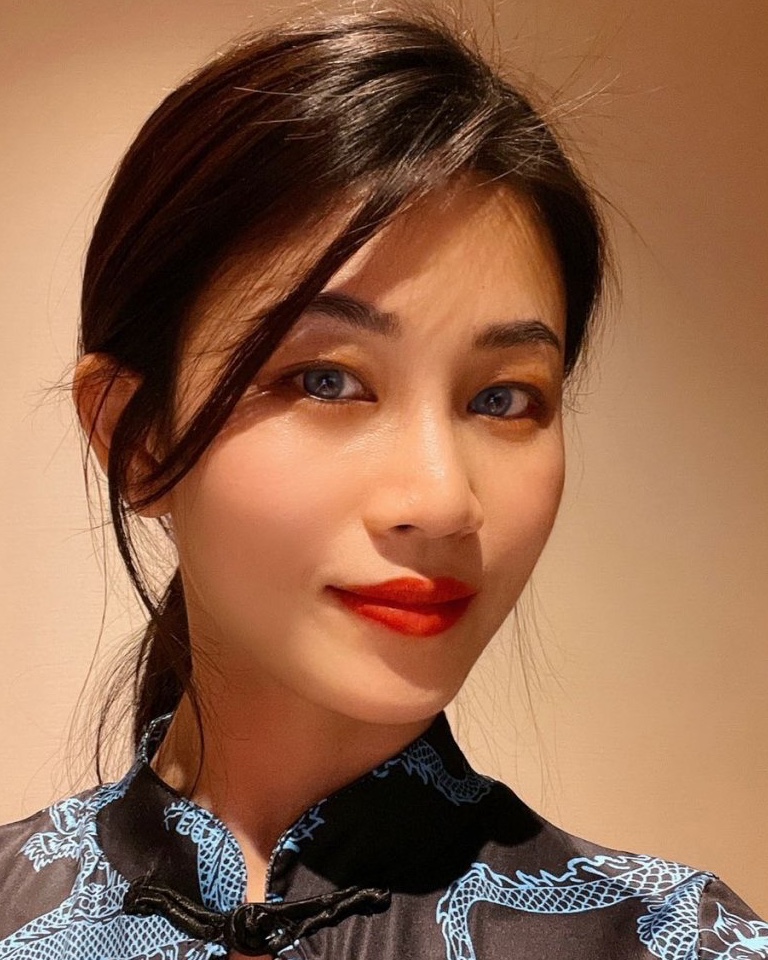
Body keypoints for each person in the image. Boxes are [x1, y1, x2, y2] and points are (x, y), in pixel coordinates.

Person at [0, 7, 764, 959]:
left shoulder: (673, 941)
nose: (443, 501)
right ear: (137, 442)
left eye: (502, 399)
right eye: (326, 381)